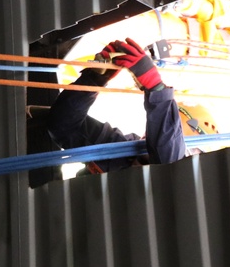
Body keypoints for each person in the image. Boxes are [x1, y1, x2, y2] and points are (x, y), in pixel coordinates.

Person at [46, 37, 217, 174]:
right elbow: (63, 125)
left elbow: (170, 164)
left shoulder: (179, 186)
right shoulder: (123, 149)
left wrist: (156, 90)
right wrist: (94, 80)